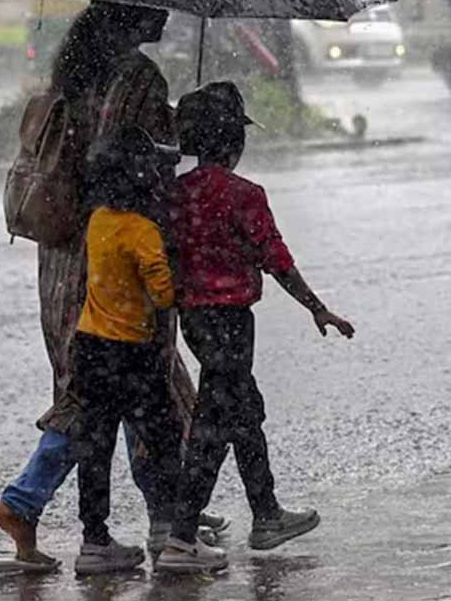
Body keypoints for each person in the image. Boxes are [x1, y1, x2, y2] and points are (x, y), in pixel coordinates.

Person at [0, 2, 224, 572]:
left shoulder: (74, 73)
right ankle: (30, 502)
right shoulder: (138, 76)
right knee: (129, 390)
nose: (166, 14)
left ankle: (167, 511)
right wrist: (182, 134)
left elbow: (95, 151)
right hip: (120, 257)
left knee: (107, 388)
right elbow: (135, 163)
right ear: (130, 15)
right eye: (155, 4)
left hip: (66, 255)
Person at [155, 82, 356, 573]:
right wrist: (317, 308)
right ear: (235, 142)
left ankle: (266, 513)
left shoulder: (173, 195)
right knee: (214, 423)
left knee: (243, 410)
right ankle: (181, 537)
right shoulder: (245, 195)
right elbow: (276, 259)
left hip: (194, 322)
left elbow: (169, 256)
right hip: (231, 322)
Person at [66, 126, 183, 574]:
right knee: (163, 436)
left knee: (96, 447)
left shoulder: (98, 220)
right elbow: (163, 294)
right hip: (132, 353)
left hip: (90, 348)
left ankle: (94, 540)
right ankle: (168, 529)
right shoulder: (143, 231)